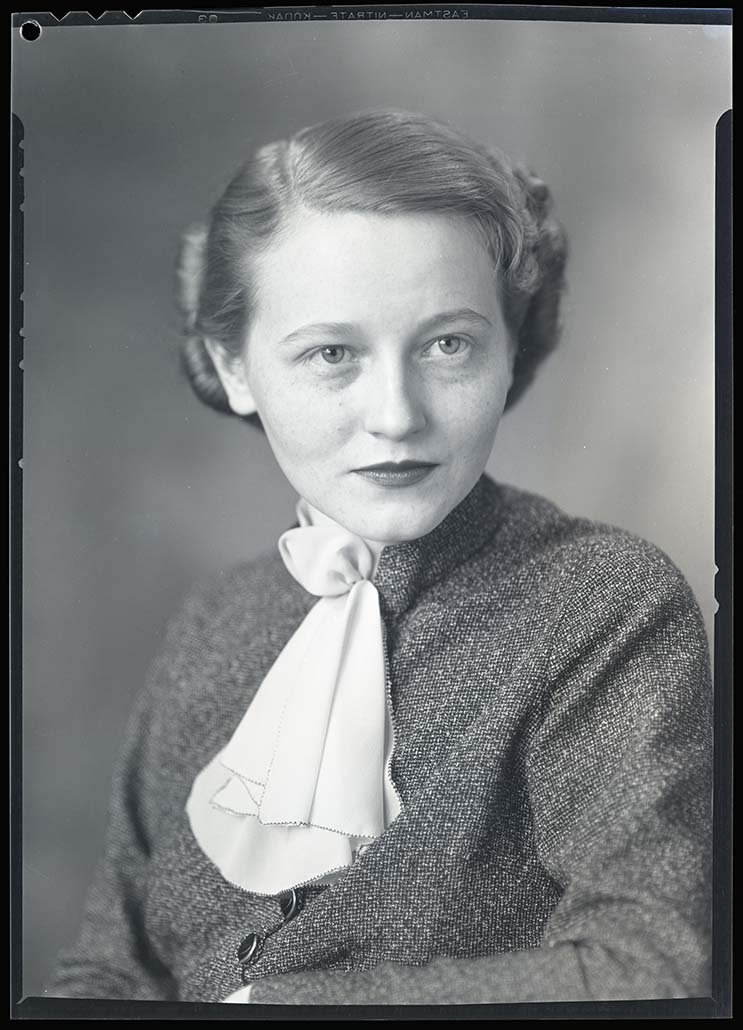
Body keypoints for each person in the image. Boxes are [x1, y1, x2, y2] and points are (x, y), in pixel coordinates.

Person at [46, 108, 712, 1006]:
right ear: (234, 368)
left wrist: (275, 1008)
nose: (396, 415)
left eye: (448, 345)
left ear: (509, 351)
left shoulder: (600, 605)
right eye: (332, 353)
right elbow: (111, 969)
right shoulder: (216, 620)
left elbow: (651, 972)